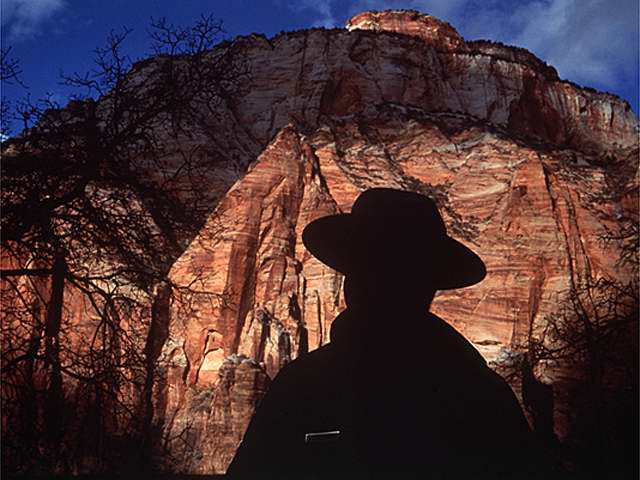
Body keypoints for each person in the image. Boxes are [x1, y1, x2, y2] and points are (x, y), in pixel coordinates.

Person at [226, 188, 543, 479]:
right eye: (367, 268)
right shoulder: (481, 393)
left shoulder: (302, 385)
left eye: (391, 271)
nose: (373, 284)